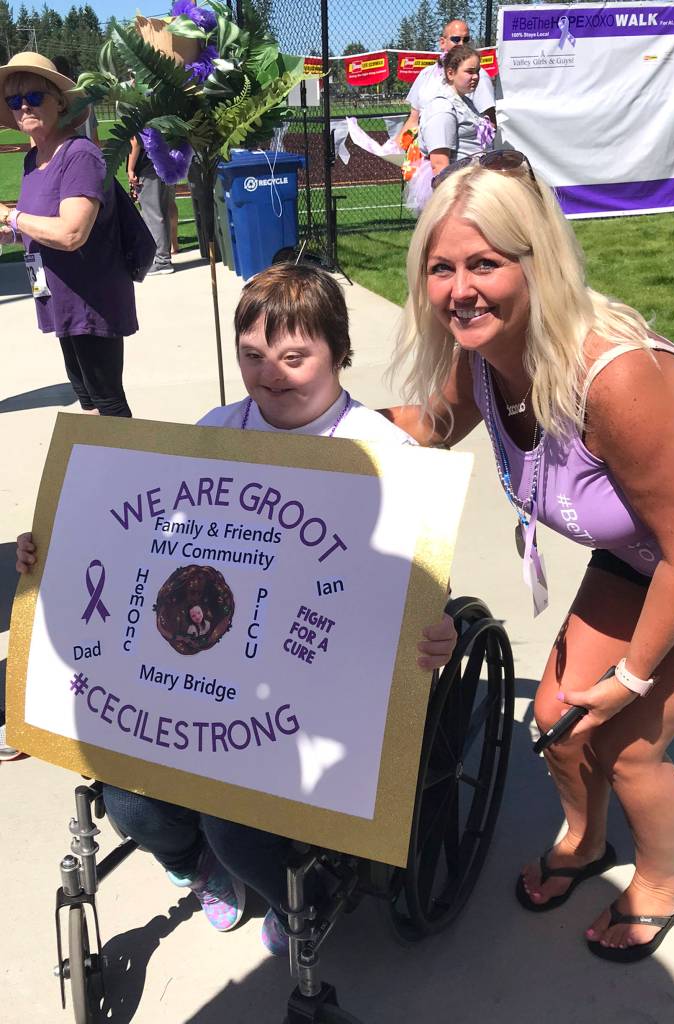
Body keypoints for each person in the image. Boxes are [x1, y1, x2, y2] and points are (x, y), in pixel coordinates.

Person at [16, 263, 458, 955]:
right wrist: (61, 547)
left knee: (235, 823)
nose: (271, 374)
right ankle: (197, 868)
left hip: (303, 690)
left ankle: (295, 897)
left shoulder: (381, 453)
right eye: (252, 356)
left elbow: (412, 583)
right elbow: (151, 537)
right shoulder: (218, 430)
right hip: (202, 668)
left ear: (338, 351)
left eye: (293, 357)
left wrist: (436, 632)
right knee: (131, 800)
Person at [383, 153, 674, 963]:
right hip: (642, 545)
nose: (458, 289)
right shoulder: (480, 355)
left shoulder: (615, 379)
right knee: (555, 719)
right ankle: (583, 842)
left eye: (484, 263)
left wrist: (632, 677)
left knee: (624, 741)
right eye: (441, 268)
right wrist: (289, 423)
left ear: (534, 262)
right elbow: (428, 430)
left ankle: (658, 880)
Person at [0, 52, 137, 417]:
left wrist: (13, 217)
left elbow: (71, 233)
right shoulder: (34, 159)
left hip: (89, 298)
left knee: (107, 402)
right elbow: (38, 225)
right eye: (14, 100)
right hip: (57, 296)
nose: (23, 106)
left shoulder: (79, 155)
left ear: (60, 101)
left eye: (33, 96)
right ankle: (101, 469)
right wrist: (11, 235)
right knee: (88, 399)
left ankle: (128, 472)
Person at [406, 46, 495, 214]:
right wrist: (452, 208)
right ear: (450, 73)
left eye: (477, 71)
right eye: (469, 71)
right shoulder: (442, 107)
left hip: (473, 184)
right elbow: (440, 165)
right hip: (458, 190)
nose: (475, 77)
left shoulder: (465, 102)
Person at [398, 18, 496, 141]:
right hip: (424, 153)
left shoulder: (477, 75)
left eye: (466, 40)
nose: (461, 44)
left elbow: (490, 123)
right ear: (442, 42)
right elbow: (413, 119)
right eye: (456, 39)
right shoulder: (426, 74)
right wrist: (395, 149)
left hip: (460, 154)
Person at [128, 133, 175, 275]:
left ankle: (162, 260)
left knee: (153, 215)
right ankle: (163, 258)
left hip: (147, 167)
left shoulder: (134, 112)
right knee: (162, 212)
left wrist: (130, 168)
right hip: (164, 162)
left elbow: (136, 142)